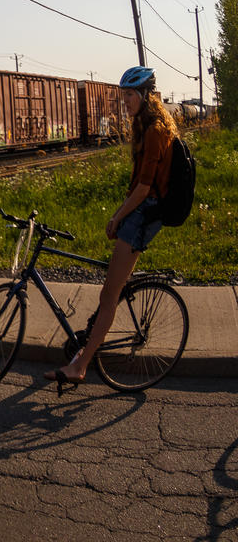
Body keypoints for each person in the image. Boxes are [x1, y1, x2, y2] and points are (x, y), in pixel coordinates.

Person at [44, 66, 177, 394]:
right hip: (141, 212)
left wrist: (118, 218)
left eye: (130, 95)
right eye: (124, 95)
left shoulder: (156, 130)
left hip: (145, 216)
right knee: (111, 291)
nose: (125, 101)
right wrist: (119, 215)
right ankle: (84, 354)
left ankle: (80, 366)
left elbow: (144, 189)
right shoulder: (145, 126)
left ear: (146, 96)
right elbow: (138, 185)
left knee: (108, 296)